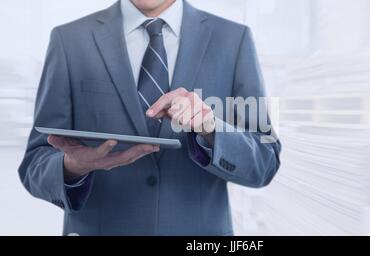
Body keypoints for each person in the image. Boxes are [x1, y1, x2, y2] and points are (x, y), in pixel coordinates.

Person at [18, 0, 281, 236]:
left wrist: (211, 129)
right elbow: (34, 163)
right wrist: (72, 166)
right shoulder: (70, 41)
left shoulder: (234, 40)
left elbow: (264, 160)